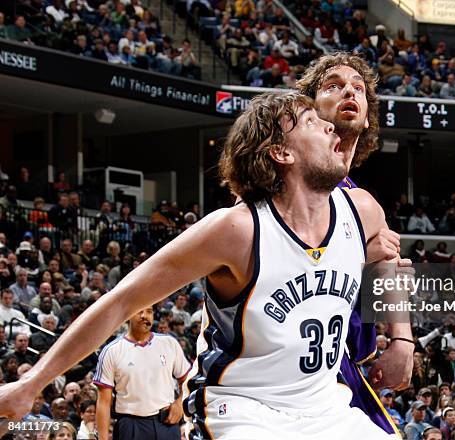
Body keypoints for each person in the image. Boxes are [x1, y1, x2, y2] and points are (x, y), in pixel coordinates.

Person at [0, 92, 406, 440]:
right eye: (313, 123)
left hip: (325, 405)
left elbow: (389, 265)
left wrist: (402, 339)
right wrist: (32, 383)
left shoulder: (362, 211)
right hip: (245, 411)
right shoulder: (237, 230)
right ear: (281, 153)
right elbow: (121, 301)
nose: (331, 127)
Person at [296, 52, 414, 434]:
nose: (349, 90)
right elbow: (265, 264)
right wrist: (359, 256)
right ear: (308, 109)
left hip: (341, 361)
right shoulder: (280, 178)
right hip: (283, 367)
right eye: (334, 85)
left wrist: (402, 341)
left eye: (358, 88)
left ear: (366, 117)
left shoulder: (360, 200)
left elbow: (389, 268)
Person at [94, 307, 191, 440]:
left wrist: (180, 403)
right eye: (139, 311)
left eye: (149, 311)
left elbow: (188, 381)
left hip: (167, 423)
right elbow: (104, 402)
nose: (145, 316)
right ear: (127, 315)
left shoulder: (169, 343)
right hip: (131, 426)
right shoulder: (112, 351)